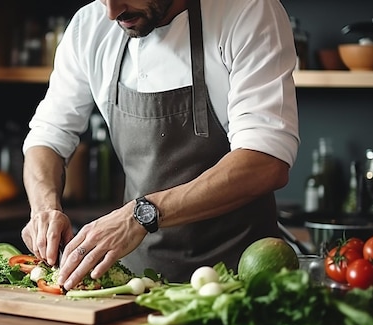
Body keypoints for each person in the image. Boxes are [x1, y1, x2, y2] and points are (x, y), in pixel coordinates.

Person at [20, 0, 300, 290]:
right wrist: (44, 209)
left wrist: (140, 215)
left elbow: (266, 162)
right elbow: (49, 135)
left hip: (238, 282)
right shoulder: (89, 27)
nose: (112, 12)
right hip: (135, 286)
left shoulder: (247, 11)